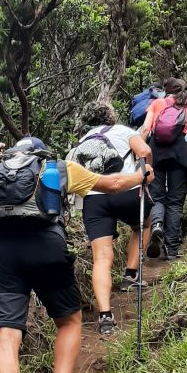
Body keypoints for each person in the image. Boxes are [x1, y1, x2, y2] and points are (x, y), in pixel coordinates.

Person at [0, 136, 153, 373]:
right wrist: (141, 176)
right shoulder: (59, 168)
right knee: (69, 321)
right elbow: (112, 184)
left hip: (2, 252)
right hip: (47, 246)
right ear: (40, 154)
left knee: (6, 338)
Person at [76, 102, 153, 337]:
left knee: (101, 257)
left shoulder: (83, 140)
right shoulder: (123, 131)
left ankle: (105, 315)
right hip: (126, 190)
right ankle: (131, 274)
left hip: (94, 199)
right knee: (144, 225)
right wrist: (145, 172)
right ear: (111, 116)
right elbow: (145, 151)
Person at [139, 77, 187, 261]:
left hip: (155, 154)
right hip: (179, 156)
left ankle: (157, 225)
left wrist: (139, 156)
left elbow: (145, 129)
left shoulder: (156, 103)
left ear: (165, 90)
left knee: (156, 197)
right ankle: (172, 249)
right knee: (175, 202)